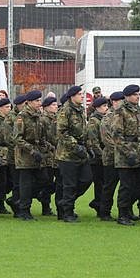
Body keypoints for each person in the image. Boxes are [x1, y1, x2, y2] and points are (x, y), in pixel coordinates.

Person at [112, 84, 140, 226]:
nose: (137, 97)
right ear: (127, 96)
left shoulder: (138, 110)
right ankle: (123, 214)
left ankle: (128, 206)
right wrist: (128, 153)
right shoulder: (120, 111)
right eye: (135, 94)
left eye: (138, 94)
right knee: (126, 186)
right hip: (125, 155)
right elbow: (117, 135)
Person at [55, 86, 92, 223]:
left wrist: (88, 147)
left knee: (87, 179)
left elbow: (84, 131)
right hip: (67, 155)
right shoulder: (65, 111)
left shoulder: (80, 110)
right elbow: (62, 132)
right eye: (79, 94)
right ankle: (67, 212)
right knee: (69, 184)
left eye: (82, 94)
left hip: (81, 153)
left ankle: (64, 203)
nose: (82, 96)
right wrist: (75, 146)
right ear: (72, 96)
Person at [13, 90, 45, 220]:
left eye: (40, 100)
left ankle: (20, 202)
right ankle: (24, 210)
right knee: (26, 184)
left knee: (43, 180)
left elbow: (41, 136)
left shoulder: (38, 116)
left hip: (36, 154)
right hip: (25, 156)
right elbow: (17, 138)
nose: (39, 103)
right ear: (30, 102)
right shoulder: (22, 116)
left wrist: (45, 149)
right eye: (37, 101)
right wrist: (32, 150)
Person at [99, 92, 124, 220]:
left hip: (124, 158)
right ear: (114, 102)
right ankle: (104, 212)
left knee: (127, 185)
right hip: (111, 157)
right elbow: (106, 139)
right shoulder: (108, 118)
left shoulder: (124, 115)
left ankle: (126, 211)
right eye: (121, 100)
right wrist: (121, 150)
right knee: (109, 186)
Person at [86, 96, 109, 218]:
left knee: (104, 183)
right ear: (97, 108)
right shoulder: (94, 121)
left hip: (103, 155)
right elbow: (93, 141)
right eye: (104, 106)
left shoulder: (104, 119)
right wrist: (101, 154)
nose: (106, 108)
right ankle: (99, 206)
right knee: (100, 184)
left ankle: (98, 204)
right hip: (97, 158)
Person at [0, 98, 14, 215]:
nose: (9, 109)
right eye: (6, 107)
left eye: (10, 107)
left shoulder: (9, 120)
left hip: (9, 154)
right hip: (0, 154)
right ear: (0, 108)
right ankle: (0, 202)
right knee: (1, 181)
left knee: (10, 181)